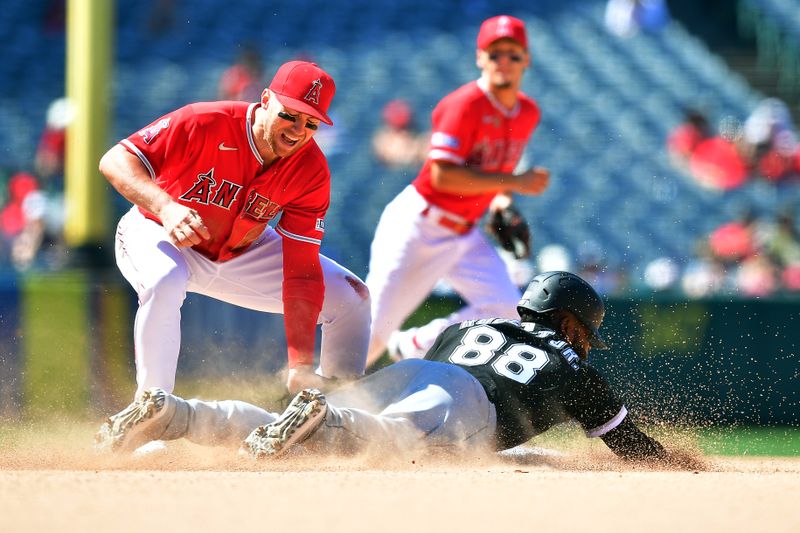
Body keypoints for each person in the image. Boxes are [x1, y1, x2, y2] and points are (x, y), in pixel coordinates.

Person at [97, 272, 675, 468]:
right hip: (466, 405)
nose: (586, 343)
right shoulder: (576, 370)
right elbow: (631, 446)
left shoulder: (473, 327)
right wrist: (686, 466)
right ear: (573, 323)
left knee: (280, 427)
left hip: (418, 371)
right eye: (585, 333)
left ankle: (174, 413)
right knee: (386, 442)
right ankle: (321, 419)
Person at [96, 60, 371, 411]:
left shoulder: (311, 170)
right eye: (290, 115)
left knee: (352, 297)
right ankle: (151, 413)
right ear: (266, 98)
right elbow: (115, 160)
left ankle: (339, 418)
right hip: (158, 230)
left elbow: (301, 270)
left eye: (311, 122)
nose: (298, 129)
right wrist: (165, 207)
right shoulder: (205, 121)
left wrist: (300, 363)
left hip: (242, 250)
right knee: (165, 280)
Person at [364, 15, 550, 367]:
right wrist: (514, 184)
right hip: (419, 225)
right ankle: (305, 395)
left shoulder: (527, 112)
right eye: (495, 54)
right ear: (480, 57)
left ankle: (416, 343)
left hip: (464, 234)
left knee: (509, 314)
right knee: (371, 333)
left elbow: (500, 169)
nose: (504, 62)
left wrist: (502, 202)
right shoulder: (464, 104)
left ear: (526, 59)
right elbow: (441, 177)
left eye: (513, 54)